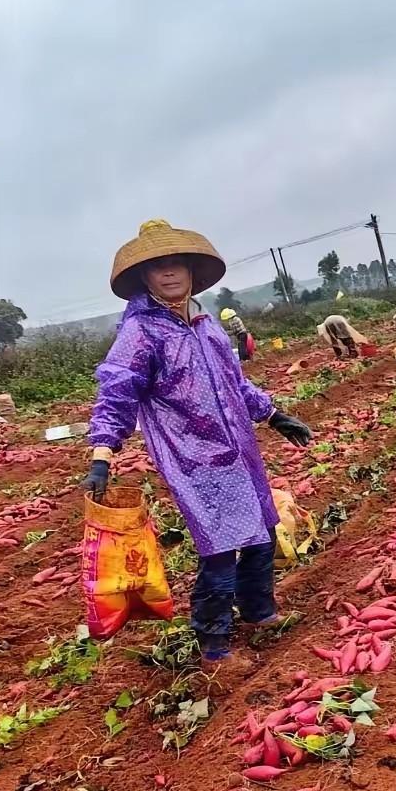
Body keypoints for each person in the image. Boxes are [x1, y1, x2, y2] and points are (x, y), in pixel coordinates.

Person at [82, 219, 313, 663]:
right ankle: (213, 639)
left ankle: (259, 613)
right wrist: (102, 455)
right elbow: (117, 392)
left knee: (263, 534)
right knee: (222, 547)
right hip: (193, 458)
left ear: (190, 270)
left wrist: (274, 415)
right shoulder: (141, 333)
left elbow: (236, 385)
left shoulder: (208, 326)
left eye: (176, 264)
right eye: (158, 267)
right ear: (145, 277)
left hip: (240, 451)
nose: (169, 273)